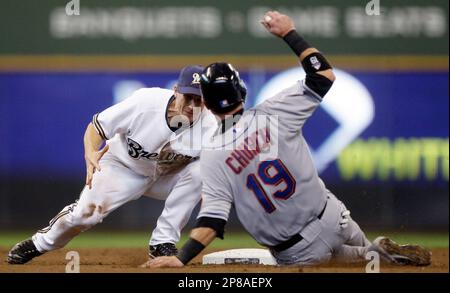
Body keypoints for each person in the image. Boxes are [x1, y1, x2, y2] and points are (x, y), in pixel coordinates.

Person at [146, 11, 431, 268]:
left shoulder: (213, 154)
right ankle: (371, 253)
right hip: (333, 216)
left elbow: (212, 221)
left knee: (330, 260)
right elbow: (323, 75)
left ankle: (368, 254)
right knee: (359, 257)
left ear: (206, 104)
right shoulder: (274, 113)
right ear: (240, 91)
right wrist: (288, 32)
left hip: (296, 250)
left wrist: (181, 258)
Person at [7, 65, 217, 264]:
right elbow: (97, 127)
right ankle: (39, 243)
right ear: (176, 90)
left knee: (201, 172)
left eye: (199, 100)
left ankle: (162, 242)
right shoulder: (146, 102)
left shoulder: (210, 126)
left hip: (165, 177)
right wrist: (90, 152)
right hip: (122, 167)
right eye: (188, 97)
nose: (192, 106)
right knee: (85, 215)